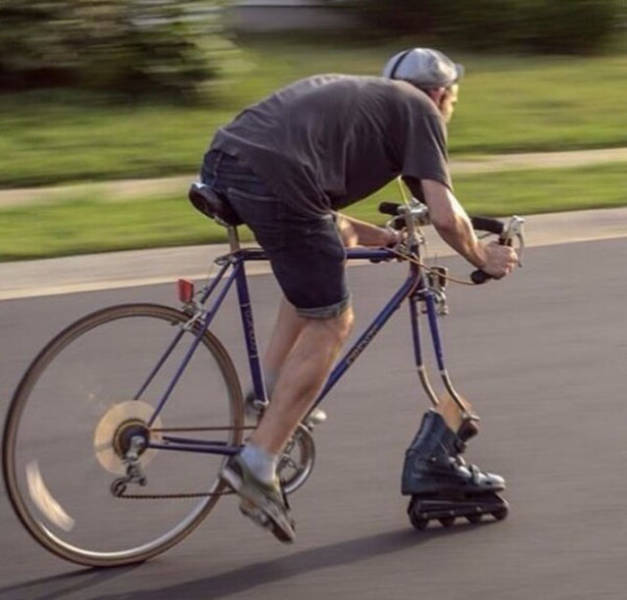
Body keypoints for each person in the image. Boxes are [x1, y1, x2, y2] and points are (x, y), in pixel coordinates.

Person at [199, 47, 518, 542]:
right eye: (452, 100)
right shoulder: (420, 110)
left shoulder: (366, 101)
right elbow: (445, 215)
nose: (449, 109)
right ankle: (257, 466)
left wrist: (381, 238)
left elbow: (321, 219)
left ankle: (269, 397)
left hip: (227, 159)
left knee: (309, 278)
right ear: (440, 94)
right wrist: (482, 256)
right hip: (276, 179)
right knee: (332, 320)